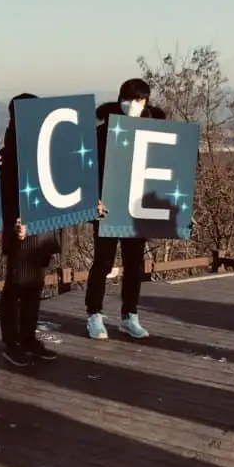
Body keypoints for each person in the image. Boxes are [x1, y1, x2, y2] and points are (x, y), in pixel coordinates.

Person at [85, 77, 166, 340]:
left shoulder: (158, 132)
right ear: (120, 100)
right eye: (129, 99)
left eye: (139, 99)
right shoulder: (103, 132)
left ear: (147, 102)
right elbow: (89, 169)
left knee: (134, 265)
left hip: (138, 208)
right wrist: (93, 200)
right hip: (107, 208)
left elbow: (175, 163)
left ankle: (130, 315)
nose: (133, 104)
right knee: (103, 263)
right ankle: (94, 315)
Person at [0, 94, 60, 366]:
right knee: (15, 287)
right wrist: (14, 224)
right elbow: (5, 193)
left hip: (43, 231)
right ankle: (11, 342)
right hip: (21, 231)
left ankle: (28, 338)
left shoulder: (46, 148)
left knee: (34, 287)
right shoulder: (10, 153)